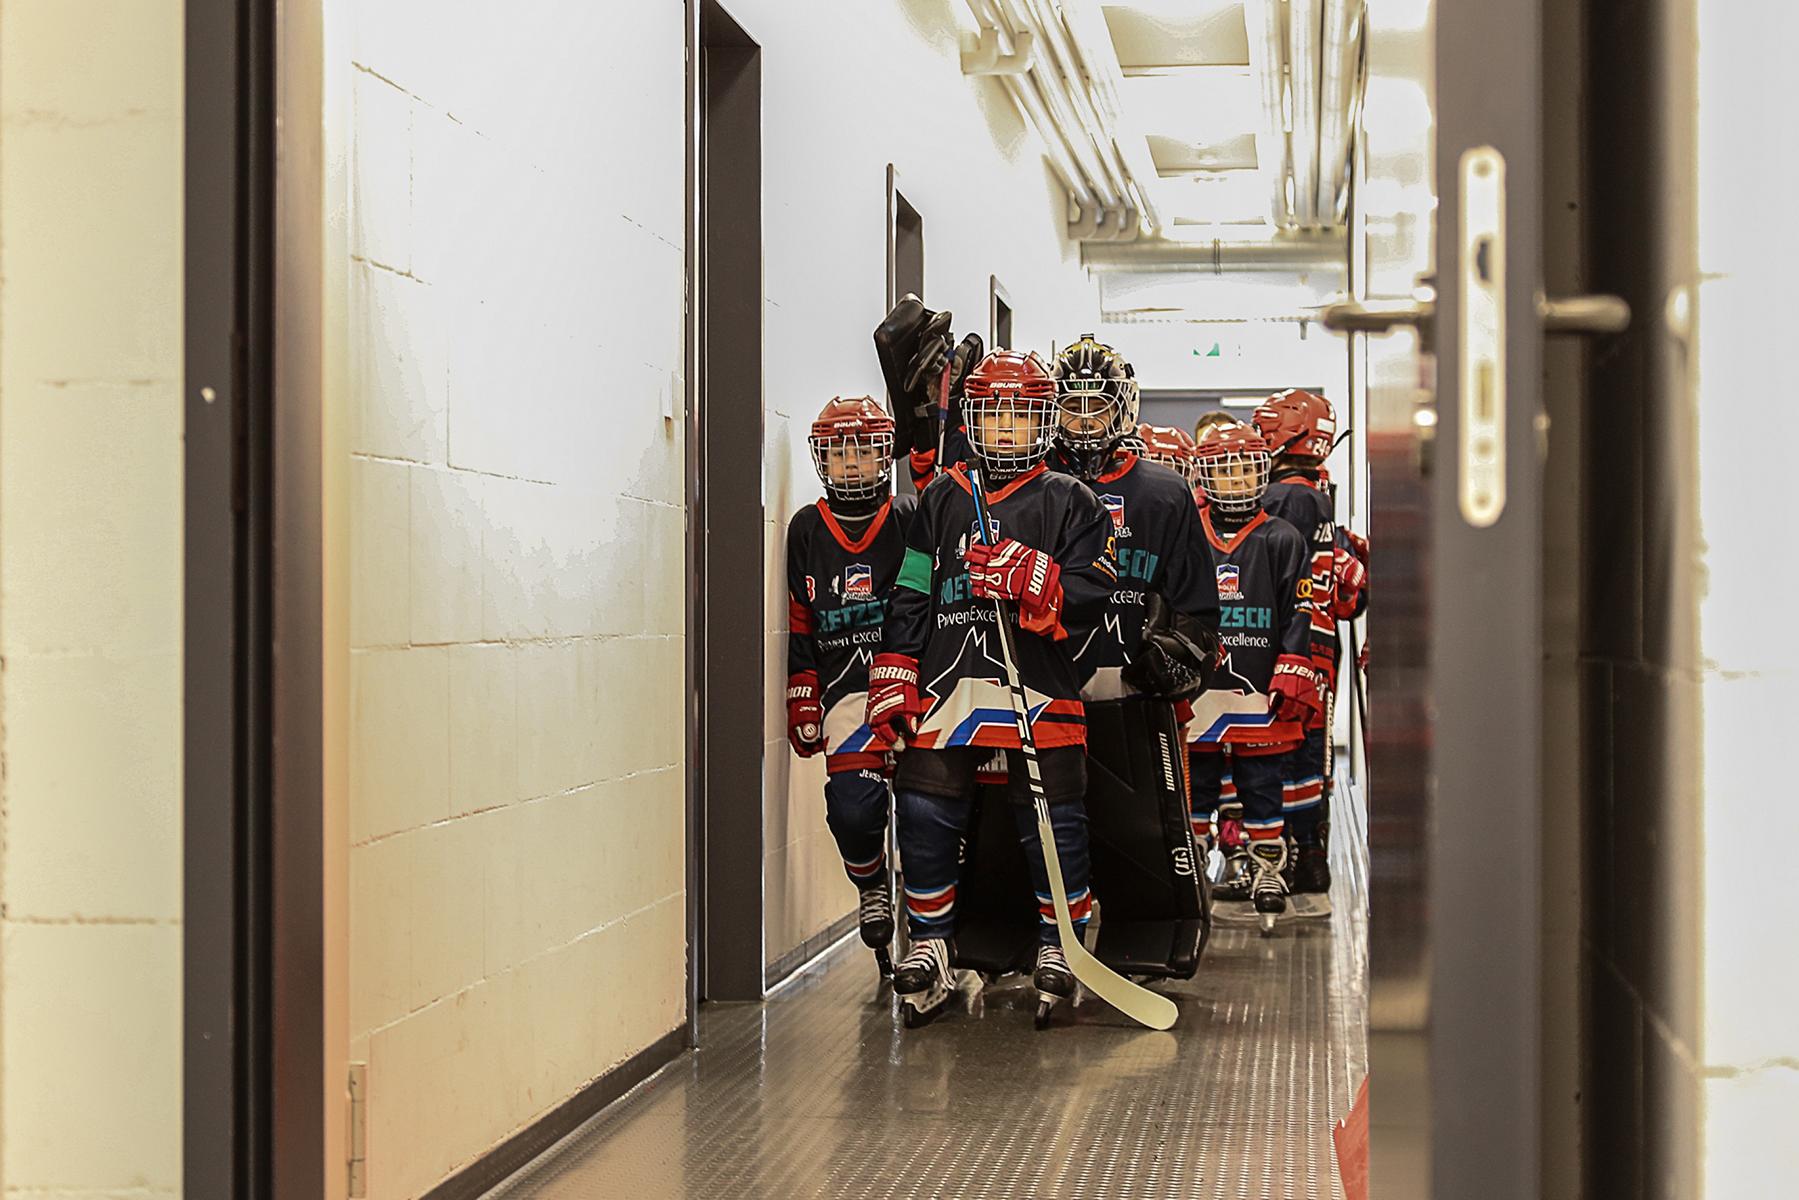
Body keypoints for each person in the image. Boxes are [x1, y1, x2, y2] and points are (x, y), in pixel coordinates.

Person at [865, 349, 1120, 1024]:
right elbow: (914, 584)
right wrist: (896, 663)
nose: (1005, 430)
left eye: (1019, 415)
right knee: (923, 808)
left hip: (1037, 680)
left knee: (1051, 816)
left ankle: (1057, 942)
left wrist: (1039, 577)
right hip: (949, 679)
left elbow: (1099, 584)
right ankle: (932, 942)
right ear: (973, 421)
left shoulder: (1073, 500)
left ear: (1043, 422)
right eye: (993, 415)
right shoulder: (943, 498)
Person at [784, 397, 915, 974]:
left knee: (928, 815)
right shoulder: (807, 529)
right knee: (854, 812)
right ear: (822, 459)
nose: (852, 463)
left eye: (863, 450)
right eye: (839, 452)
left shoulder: (910, 517)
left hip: (912, 690)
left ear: (885, 455)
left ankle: (939, 921)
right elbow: (798, 619)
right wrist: (802, 690)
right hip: (846, 697)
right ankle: (871, 884)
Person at [1184, 422, 1321, 933]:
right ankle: (1193, 863)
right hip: (1201, 686)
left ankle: (1268, 868)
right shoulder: (1190, 531)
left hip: (1257, 684)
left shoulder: (1282, 537)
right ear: (1207, 475)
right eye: (1225, 469)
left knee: (1262, 781)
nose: (1237, 479)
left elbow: (1298, 608)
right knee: (1195, 783)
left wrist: (1293, 662)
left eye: (1245, 468)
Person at [1049, 336, 1219, 705]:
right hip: (1046, 694)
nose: (1083, 421)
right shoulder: (1038, 487)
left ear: (1120, 410)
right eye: (1070, 407)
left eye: (1097, 406)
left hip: (1139, 700)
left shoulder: (1166, 493)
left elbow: (1198, 606)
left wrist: (1181, 653)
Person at [1251, 389, 1342, 912]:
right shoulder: (1313, 493)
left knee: (1288, 756)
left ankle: (1296, 860)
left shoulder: (1287, 497)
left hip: (1295, 646)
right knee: (1308, 755)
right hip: (1317, 644)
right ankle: (1309, 855)